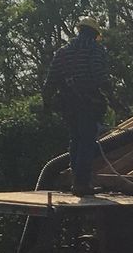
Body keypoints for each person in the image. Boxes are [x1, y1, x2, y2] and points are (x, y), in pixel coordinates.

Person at [45, 17, 112, 195]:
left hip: (68, 104)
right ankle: (82, 183)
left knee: (75, 140)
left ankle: (76, 181)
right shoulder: (94, 49)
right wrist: (110, 94)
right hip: (87, 102)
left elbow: (51, 79)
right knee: (87, 141)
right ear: (94, 33)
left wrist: (46, 102)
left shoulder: (63, 52)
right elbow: (99, 74)